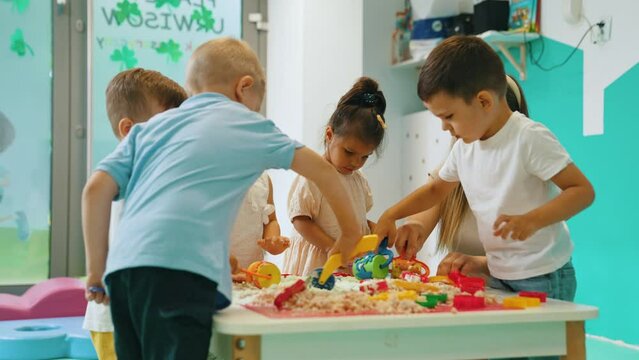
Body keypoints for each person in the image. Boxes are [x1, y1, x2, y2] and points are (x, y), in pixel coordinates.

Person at [82, 37, 361, 359]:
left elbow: (95, 190)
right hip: (181, 275)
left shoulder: (152, 128)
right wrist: (351, 231)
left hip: (122, 273)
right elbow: (324, 172)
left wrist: (95, 269)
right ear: (244, 87)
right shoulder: (248, 124)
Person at [375, 36, 594, 302]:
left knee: (544, 344)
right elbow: (435, 190)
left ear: (484, 101)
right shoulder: (465, 147)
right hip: (501, 273)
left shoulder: (528, 137)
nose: (444, 128)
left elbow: (582, 191)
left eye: (448, 116)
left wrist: (532, 220)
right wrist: (392, 214)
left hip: (543, 274)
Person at [82, 68, 188, 360]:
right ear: (129, 130)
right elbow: (94, 197)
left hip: (146, 308)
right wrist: (96, 273)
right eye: (166, 126)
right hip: (114, 314)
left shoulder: (157, 171)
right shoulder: (123, 171)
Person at [394, 74, 529, 279]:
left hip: (525, 290)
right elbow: (428, 202)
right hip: (475, 298)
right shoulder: (455, 165)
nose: (448, 129)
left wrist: (481, 263)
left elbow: (535, 255)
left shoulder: (527, 169)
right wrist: (414, 227)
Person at [282, 77, 387, 276]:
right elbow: (300, 220)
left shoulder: (358, 179)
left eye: (365, 157)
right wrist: (331, 246)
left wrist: (375, 230)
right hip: (320, 260)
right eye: (349, 152)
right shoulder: (312, 175)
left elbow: (359, 218)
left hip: (347, 262)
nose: (356, 162)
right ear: (329, 135)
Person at [229, 170, 290, 280]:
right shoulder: (207, 176)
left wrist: (272, 240)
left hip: (253, 270)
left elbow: (271, 220)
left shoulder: (263, 178)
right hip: (214, 271)